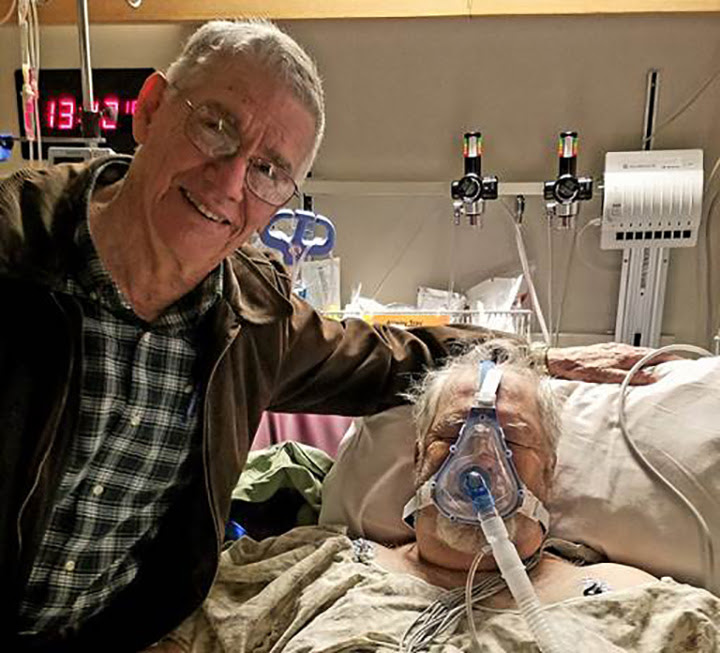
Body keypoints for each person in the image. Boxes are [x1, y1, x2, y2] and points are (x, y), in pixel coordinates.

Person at [0, 18, 659, 652]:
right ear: (149, 109)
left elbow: (384, 357)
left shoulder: (253, 317)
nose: (229, 181)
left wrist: (533, 355)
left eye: (268, 169)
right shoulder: (13, 251)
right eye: (215, 126)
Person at [152, 340, 720, 652]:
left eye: (511, 437)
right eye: (453, 433)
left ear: (548, 473)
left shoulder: (635, 604)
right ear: (419, 458)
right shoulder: (315, 568)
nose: (480, 451)